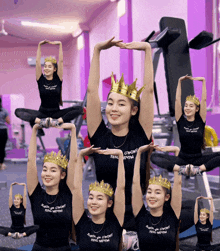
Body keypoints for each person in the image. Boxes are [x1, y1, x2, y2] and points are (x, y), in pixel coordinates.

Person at [31, 147, 163, 251]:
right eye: (91, 198)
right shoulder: (82, 223)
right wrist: (79, 156)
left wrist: (121, 156)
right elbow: (76, 189)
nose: (93, 202)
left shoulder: (115, 223)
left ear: (109, 203)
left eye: (99, 198)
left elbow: (121, 188)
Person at [128, 143, 217, 251]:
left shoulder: (172, 216)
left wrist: (177, 158)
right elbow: (135, 185)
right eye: (149, 192)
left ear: (166, 197)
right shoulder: (141, 216)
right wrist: (139, 153)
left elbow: (178, 184)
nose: (151, 196)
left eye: (157, 192)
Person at [87, 38, 154, 230]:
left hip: (135, 212)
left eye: (121, 104)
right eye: (110, 103)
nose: (113, 109)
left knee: (187, 212)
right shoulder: (99, 136)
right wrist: (97, 49)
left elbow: (148, 91)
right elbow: (92, 92)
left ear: (133, 110)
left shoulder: (140, 135)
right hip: (105, 213)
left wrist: (147, 51)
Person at [0, 123, 81, 251]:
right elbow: (31, 161)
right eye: (44, 169)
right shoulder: (36, 194)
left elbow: (74, 161)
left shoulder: (68, 193)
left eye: (53, 170)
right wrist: (35, 130)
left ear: (63, 175)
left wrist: (72, 129)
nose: (47, 174)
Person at [151, 75, 220, 176]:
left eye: (191, 106)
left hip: (198, 159)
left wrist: (204, 82)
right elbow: (177, 101)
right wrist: (179, 82)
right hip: (182, 160)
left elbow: (204, 100)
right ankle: (181, 170)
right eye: (186, 106)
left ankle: (199, 170)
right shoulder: (181, 121)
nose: (187, 108)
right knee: (154, 157)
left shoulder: (200, 120)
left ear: (197, 109)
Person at [15, 40, 83, 128]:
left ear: (55, 69)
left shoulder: (58, 79)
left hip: (56, 113)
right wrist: (39, 46)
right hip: (42, 113)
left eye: (49, 66)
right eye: (45, 66)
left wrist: (60, 45)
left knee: (79, 108)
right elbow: (37, 62)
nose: (46, 68)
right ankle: (41, 122)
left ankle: (57, 121)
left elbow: (61, 62)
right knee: (18, 111)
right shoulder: (41, 79)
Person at [0, 95, 10, 170]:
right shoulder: (4, 111)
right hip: (2, 131)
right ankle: (1, 164)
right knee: (2, 147)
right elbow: (8, 121)